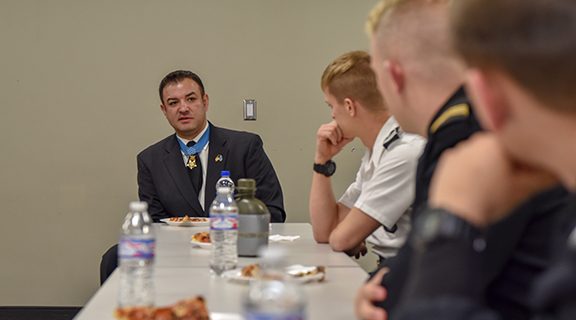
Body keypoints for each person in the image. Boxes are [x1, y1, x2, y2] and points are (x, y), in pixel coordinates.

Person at [355, 0, 569, 320]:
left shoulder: (460, 137)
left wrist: (384, 291)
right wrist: (384, 284)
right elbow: (416, 262)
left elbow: (413, 298)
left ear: (394, 76)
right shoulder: (457, 127)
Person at [309, 51, 424, 265]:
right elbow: (325, 231)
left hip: (413, 277)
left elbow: (340, 239)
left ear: (350, 107)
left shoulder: (404, 152)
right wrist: (321, 161)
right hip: (396, 269)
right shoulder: (377, 150)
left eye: (331, 106)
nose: (332, 115)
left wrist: (352, 235)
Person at [138, 70, 285, 223]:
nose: (183, 108)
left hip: (236, 243)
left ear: (205, 102)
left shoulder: (245, 147)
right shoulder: (150, 160)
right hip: (177, 245)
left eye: (190, 99)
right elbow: (154, 223)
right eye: (173, 103)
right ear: (164, 110)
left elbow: (272, 211)